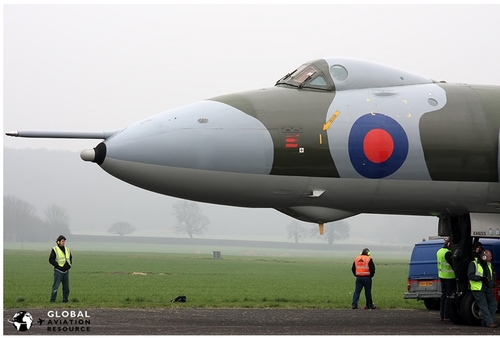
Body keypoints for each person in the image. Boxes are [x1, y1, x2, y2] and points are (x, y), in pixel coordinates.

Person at [467, 249, 497, 328]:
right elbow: (470, 275)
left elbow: (491, 276)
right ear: (484, 256)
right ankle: (489, 322)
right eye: (490, 256)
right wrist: (480, 278)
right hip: (478, 288)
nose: (491, 257)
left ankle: (485, 321)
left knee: (493, 304)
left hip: (487, 288)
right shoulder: (474, 264)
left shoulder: (488, 264)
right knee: (483, 305)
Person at [436, 237, 456, 321]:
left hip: (442, 276)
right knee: (449, 297)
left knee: (443, 296)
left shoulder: (439, 251)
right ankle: (446, 315)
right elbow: (453, 265)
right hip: (449, 277)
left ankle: (442, 315)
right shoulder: (448, 253)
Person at [48, 235, 72, 303]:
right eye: (62, 241)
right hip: (58, 271)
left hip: (66, 271)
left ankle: (65, 300)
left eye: (64, 241)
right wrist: (57, 266)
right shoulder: (55, 249)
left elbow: (70, 258)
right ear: (58, 242)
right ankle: (52, 300)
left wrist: (69, 266)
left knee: (66, 288)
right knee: (55, 287)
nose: (63, 242)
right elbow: (51, 260)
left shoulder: (67, 249)